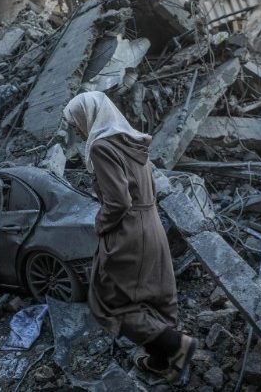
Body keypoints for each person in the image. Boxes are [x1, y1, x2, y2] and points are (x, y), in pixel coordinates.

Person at [63, 91, 198, 383]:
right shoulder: (131, 140)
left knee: (110, 300)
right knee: (152, 294)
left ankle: (177, 345)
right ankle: (161, 359)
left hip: (129, 232)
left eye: (76, 122)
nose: (75, 128)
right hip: (151, 225)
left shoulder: (102, 147)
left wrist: (101, 224)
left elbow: (118, 202)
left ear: (90, 116)